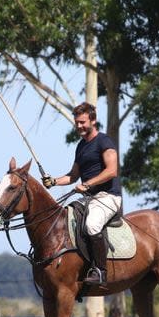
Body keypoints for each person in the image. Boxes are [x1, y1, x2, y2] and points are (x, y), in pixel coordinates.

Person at [41, 102, 121, 286]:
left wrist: (87, 184)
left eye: (82, 122)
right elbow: (72, 176)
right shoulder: (81, 146)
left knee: (92, 225)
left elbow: (111, 171)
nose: (79, 126)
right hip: (89, 199)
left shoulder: (104, 141)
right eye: (76, 122)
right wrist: (53, 181)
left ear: (93, 120)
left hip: (108, 196)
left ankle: (100, 271)